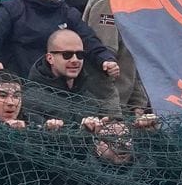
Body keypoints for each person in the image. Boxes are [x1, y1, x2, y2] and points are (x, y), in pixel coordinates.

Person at [27, 29, 131, 164]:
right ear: (50, 58)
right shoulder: (32, 97)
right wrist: (82, 133)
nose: (75, 60)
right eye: (67, 55)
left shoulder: (93, 91)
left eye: (80, 55)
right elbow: (35, 147)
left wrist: (109, 131)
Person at [84, 0, 153, 120]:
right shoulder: (108, 0)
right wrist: (113, 114)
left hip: (123, 107)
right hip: (107, 113)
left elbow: (130, 57)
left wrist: (137, 103)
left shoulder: (125, 0)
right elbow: (104, 66)